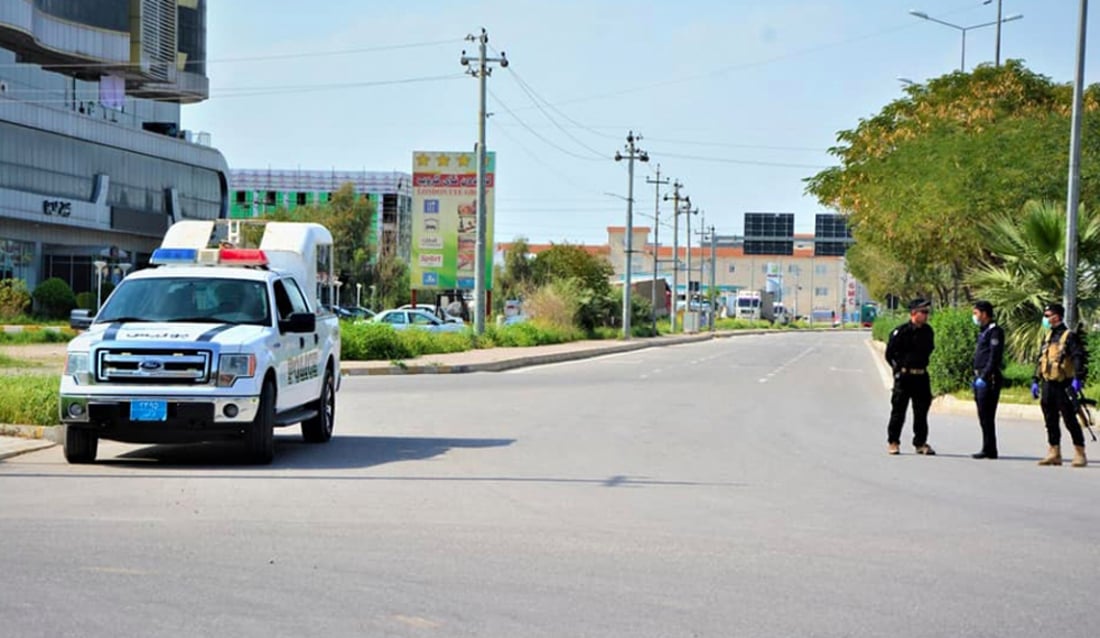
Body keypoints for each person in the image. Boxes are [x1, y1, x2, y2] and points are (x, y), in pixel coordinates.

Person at [1031, 303, 1088, 467]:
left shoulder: (1069, 336)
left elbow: (1078, 357)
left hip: (1064, 384)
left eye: (1048, 315)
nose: (1046, 319)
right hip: (1048, 384)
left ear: (1057, 316)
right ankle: (1054, 451)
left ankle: (1079, 452)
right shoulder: (1048, 337)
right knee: (1050, 419)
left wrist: (1078, 378)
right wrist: (1035, 380)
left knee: (1070, 419)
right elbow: (1041, 359)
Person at [884, 298, 936, 455]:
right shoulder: (900, 332)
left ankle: (920, 443)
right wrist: (897, 371)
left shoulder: (928, 331)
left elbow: (929, 351)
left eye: (927, 312)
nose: (926, 315)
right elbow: (889, 354)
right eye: (923, 312)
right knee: (898, 411)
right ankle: (893, 442)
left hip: (921, 377)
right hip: (904, 377)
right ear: (913, 313)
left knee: (921, 412)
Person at [971, 300, 1004, 459]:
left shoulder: (995, 331)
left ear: (984, 314)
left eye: (976, 313)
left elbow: (994, 356)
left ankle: (990, 449)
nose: (974, 316)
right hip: (979, 377)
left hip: (988, 379)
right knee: (983, 415)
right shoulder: (983, 331)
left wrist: (984, 376)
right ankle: (988, 447)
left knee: (987, 415)